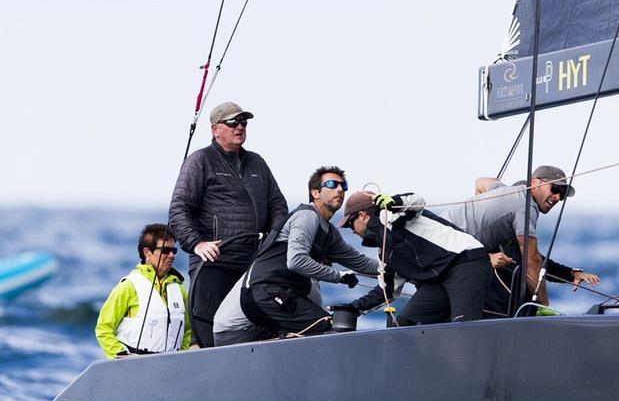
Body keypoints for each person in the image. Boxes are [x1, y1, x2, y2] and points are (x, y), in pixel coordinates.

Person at [169, 101, 288, 347]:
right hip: (214, 264)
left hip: (252, 264)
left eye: (243, 122)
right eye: (233, 122)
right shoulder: (200, 160)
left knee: (258, 328)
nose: (240, 127)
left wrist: (273, 240)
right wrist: (197, 243)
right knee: (209, 334)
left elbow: (278, 206)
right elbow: (178, 210)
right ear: (215, 129)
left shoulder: (257, 162)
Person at [240, 166, 379, 337]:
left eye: (343, 186)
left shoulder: (329, 232)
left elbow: (359, 262)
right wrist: (339, 276)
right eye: (332, 184)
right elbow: (296, 261)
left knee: (321, 328)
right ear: (315, 193)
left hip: (281, 295)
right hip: (265, 294)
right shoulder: (307, 216)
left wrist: (394, 268)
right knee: (327, 329)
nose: (339, 190)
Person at [442, 165, 600, 314]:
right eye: (554, 189)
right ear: (534, 183)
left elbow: (481, 182)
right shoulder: (525, 208)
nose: (557, 197)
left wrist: (571, 274)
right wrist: (543, 306)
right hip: (444, 246)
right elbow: (532, 262)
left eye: (562, 194)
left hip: (448, 241)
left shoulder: (506, 192)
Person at [339, 190, 492, 325]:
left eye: (350, 224)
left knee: (463, 327)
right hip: (437, 279)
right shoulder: (384, 251)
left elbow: (417, 201)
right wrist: (354, 308)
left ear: (362, 215)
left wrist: (394, 201)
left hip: (465, 262)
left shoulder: (392, 216)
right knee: (403, 327)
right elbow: (387, 290)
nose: (351, 231)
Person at [95, 223, 192, 359]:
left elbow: (187, 331)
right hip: (135, 366)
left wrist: (181, 357)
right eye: (165, 250)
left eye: (174, 251)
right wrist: (122, 356)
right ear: (147, 252)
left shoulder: (179, 289)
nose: (171, 255)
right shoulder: (129, 286)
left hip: (170, 367)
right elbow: (103, 328)